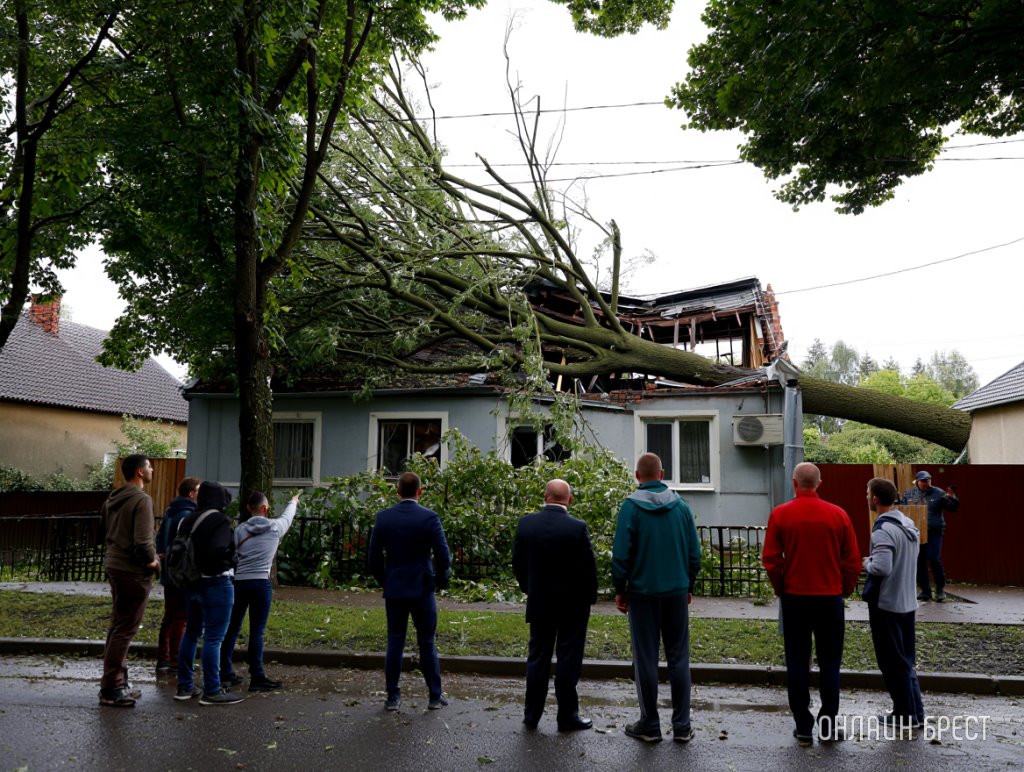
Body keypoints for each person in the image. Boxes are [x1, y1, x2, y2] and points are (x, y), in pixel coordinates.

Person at [762, 462, 861, 746]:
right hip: (829, 599)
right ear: (819, 483)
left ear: (795, 483)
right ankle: (828, 726)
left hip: (795, 598)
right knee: (830, 663)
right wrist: (843, 588)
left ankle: (803, 725)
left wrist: (781, 588)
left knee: (796, 661)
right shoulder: (838, 515)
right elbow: (852, 561)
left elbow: (771, 559)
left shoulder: (781, 515)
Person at [612, 452, 702, 744]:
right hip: (676, 591)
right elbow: (694, 554)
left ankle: (650, 724)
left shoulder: (630, 507)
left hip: (642, 593)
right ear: (661, 474)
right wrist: (688, 584)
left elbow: (621, 555)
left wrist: (620, 588)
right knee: (678, 658)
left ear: (638, 476)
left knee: (646, 658)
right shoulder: (681, 507)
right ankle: (682, 726)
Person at [512, 479, 598, 732]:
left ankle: (532, 715)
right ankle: (567, 716)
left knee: (538, 657)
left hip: (540, 602)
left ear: (545, 496)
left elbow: (518, 563)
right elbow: (588, 569)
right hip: (572, 606)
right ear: (569, 500)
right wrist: (588, 599)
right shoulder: (577, 528)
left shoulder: (527, 524)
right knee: (568, 659)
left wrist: (530, 588)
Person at [368, 471, 452, 712]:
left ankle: (393, 696)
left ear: (397, 491)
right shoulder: (429, 517)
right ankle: (435, 695)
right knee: (427, 641)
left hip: (395, 587)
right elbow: (443, 554)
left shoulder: (384, 518)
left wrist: (385, 580)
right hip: (423, 587)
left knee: (395, 640)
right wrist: (440, 581)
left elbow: (373, 557)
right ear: (420, 491)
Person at [220, 491, 301, 692]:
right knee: (257, 631)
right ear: (265, 508)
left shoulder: (239, 530)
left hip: (239, 583)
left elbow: (234, 553)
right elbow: (288, 516)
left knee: (232, 627)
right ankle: (257, 676)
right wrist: (293, 501)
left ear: (249, 508)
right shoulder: (275, 528)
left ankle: (225, 672)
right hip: (260, 584)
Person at [863, 477, 925, 731]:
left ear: (875, 499)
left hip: (887, 604)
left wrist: (864, 563)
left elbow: (882, 567)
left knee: (891, 661)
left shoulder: (883, 530)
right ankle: (916, 711)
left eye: (867, 493)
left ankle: (904, 715)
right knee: (905, 659)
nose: (866, 496)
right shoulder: (908, 524)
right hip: (907, 602)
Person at [175, 481, 243, 705]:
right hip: (216, 583)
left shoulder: (188, 519)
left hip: (191, 582)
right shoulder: (219, 520)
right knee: (214, 637)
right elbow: (218, 550)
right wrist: (232, 559)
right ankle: (212, 690)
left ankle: (185, 686)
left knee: (191, 633)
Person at [99, 454, 159, 707]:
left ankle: (118, 681)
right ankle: (112, 688)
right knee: (125, 628)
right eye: (149, 466)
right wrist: (153, 562)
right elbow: (143, 541)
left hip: (114, 564)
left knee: (118, 625)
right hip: (132, 571)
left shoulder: (112, 499)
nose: (152, 469)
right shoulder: (141, 500)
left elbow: (103, 531)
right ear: (139, 472)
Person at [155, 476, 201, 674]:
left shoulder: (169, 513)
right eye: (198, 490)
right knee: (180, 618)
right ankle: (176, 661)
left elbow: (159, 540)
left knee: (169, 616)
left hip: (167, 570)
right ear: (191, 493)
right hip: (180, 572)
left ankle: (163, 659)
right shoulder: (187, 515)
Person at [901, 470, 959, 602]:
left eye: (928, 480)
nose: (926, 483)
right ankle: (925, 591)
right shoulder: (909, 494)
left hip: (934, 532)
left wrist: (952, 498)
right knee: (920, 561)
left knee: (934, 558)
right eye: (923, 480)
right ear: (917, 481)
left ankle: (940, 589)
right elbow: (902, 509)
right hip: (916, 532)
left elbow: (952, 508)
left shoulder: (939, 493)